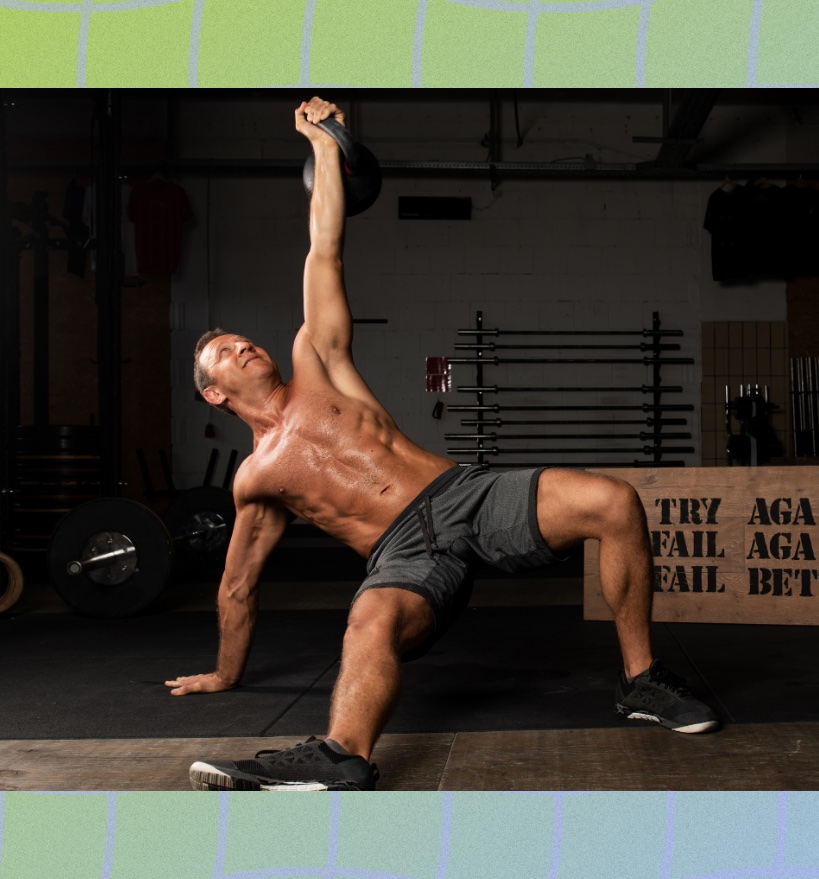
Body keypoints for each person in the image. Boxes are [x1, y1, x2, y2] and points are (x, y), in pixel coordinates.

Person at [170, 97, 718, 792]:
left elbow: (325, 247)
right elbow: (238, 583)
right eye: (223, 350)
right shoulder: (255, 478)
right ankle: (341, 755)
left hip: (462, 491)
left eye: (241, 337)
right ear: (213, 392)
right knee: (367, 617)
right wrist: (225, 672)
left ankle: (642, 682)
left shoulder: (318, 358)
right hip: (406, 554)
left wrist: (323, 148)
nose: (242, 345)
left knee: (613, 501)